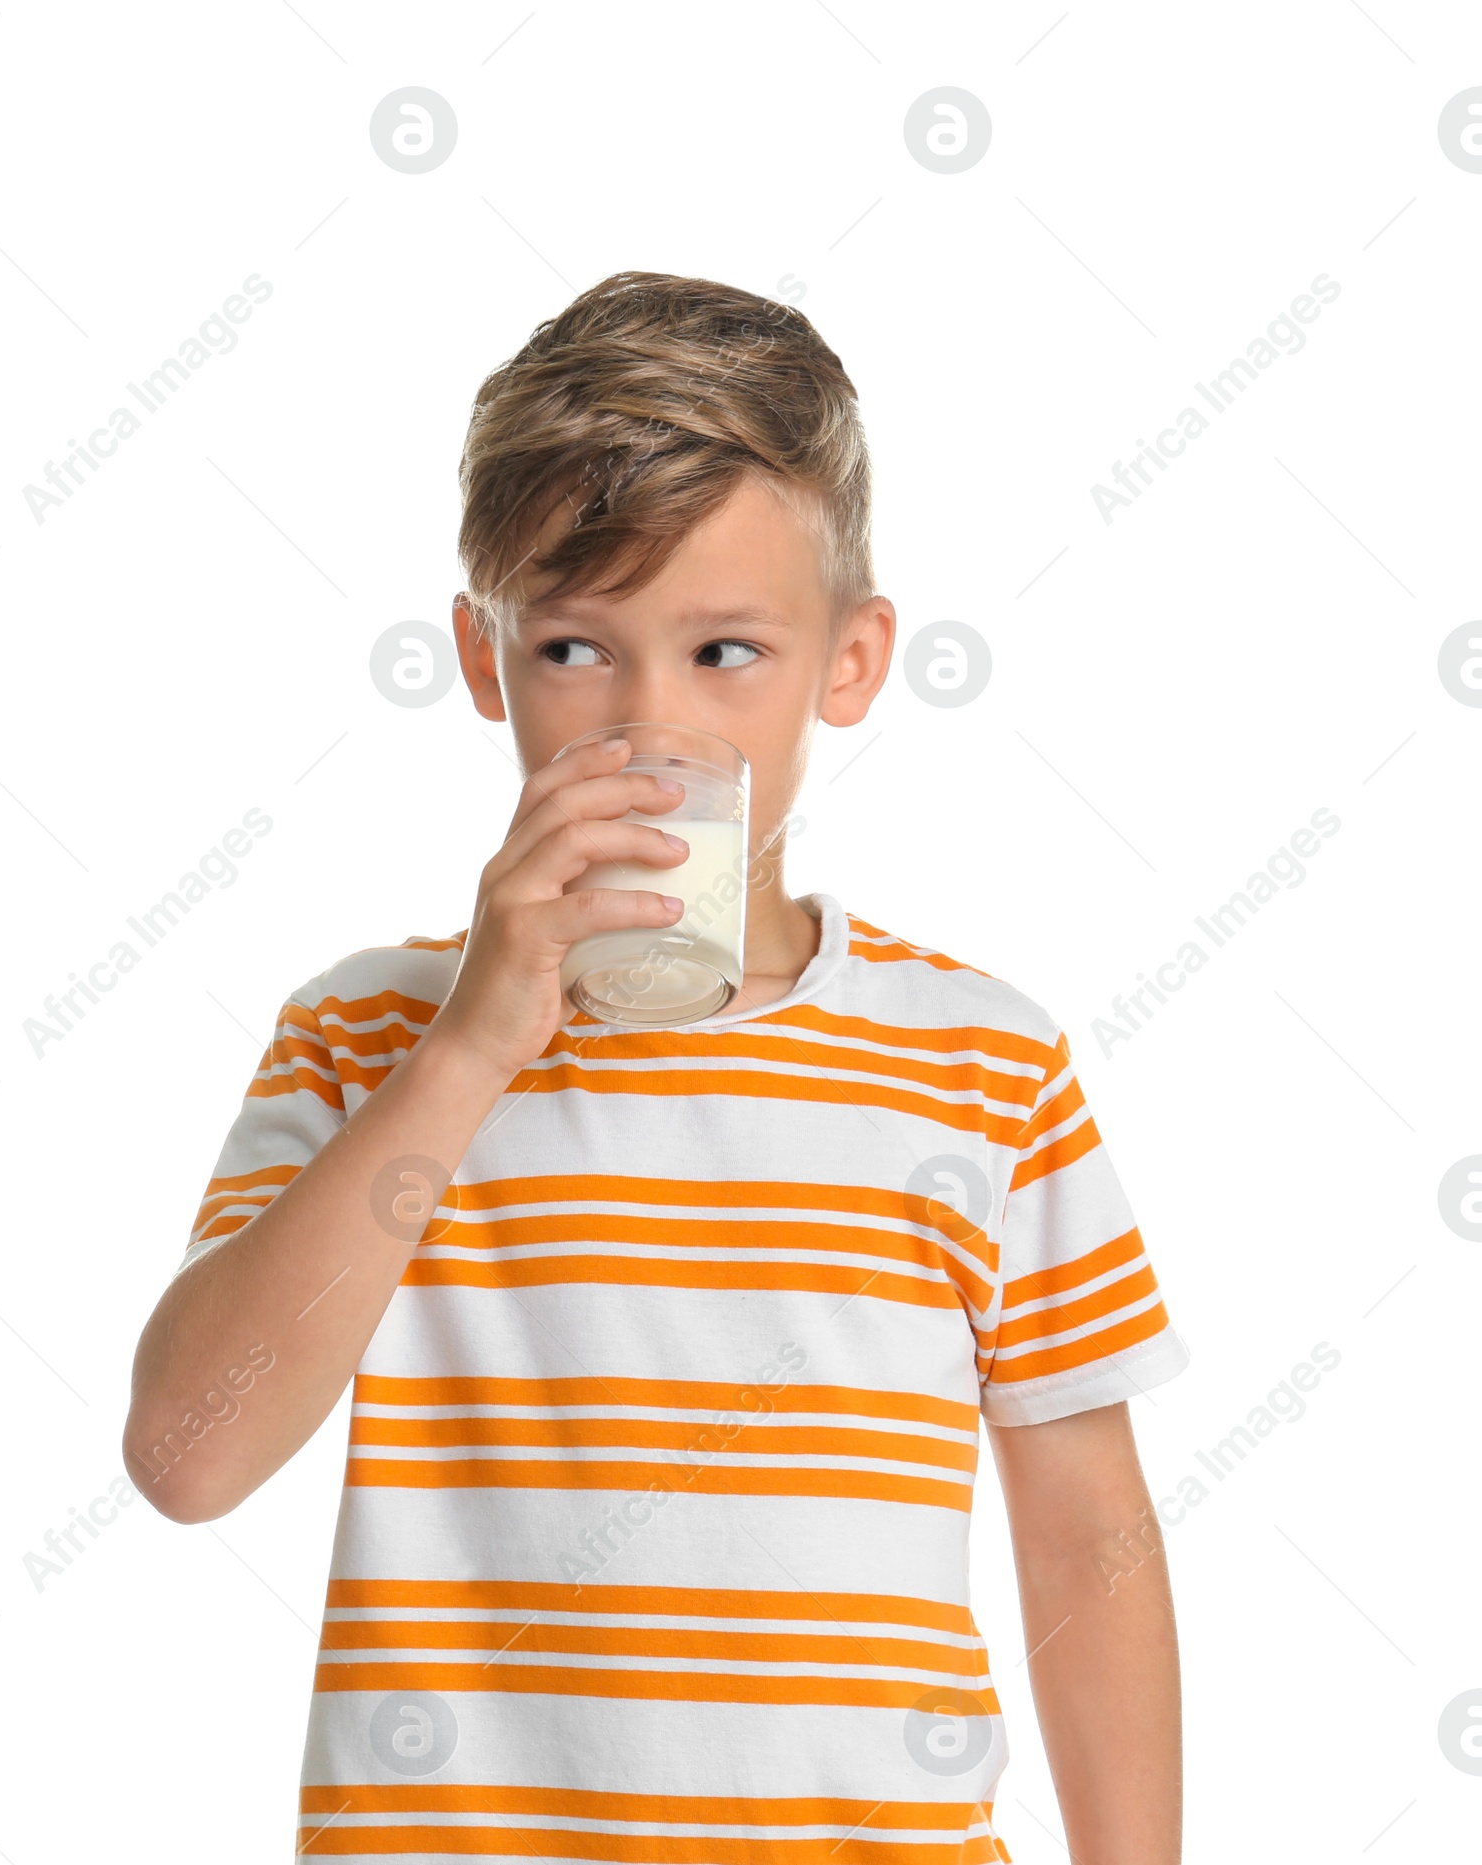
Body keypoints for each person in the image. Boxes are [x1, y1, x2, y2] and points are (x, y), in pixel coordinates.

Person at [123, 270, 1191, 1864]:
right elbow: (189, 1458)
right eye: (573, 648)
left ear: (849, 661)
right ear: (485, 666)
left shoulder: (985, 1065)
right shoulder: (364, 1038)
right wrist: (474, 1039)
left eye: (726, 651)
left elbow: (1087, 1525)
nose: (645, 724)